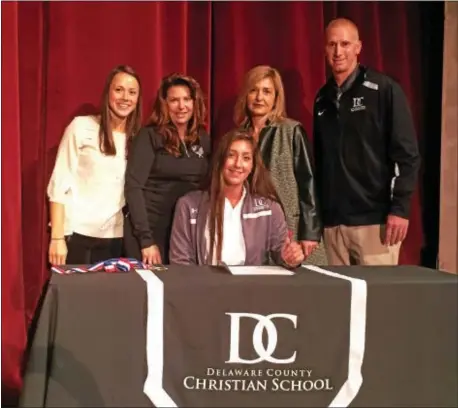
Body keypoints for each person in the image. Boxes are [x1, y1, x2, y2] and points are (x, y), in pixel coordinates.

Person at [313, 17, 421, 265]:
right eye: (332, 45)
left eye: (345, 44)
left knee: (377, 302)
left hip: (375, 224)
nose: (338, 52)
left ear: (358, 47)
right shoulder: (322, 99)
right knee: (339, 303)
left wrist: (400, 209)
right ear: (325, 49)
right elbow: (321, 162)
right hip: (333, 227)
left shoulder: (384, 90)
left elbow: (407, 155)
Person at [47, 65, 142, 265]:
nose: (125, 97)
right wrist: (57, 238)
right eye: (119, 90)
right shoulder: (81, 127)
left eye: (132, 92)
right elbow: (60, 183)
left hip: (117, 240)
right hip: (77, 235)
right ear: (107, 92)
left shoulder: (139, 140)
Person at [169, 129, 304, 267]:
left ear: (252, 165)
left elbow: (282, 253)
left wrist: (290, 257)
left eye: (246, 158)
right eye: (231, 155)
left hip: (252, 286)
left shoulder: (270, 208)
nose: (238, 164)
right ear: (220, 159)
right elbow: (180, 262)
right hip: (206, 286)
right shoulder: (188, 205)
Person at [233, 65, 325, 264]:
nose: (259, 97)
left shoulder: (291, 131)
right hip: (253, 227)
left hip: (292, 229)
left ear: (276, 97)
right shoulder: (237, 136)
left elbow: (307, 183)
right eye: (253, 90)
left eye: (266, 91)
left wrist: (309, 231)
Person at [124, 73, 210, 265]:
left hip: (185, 232)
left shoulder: (203, 139)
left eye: (187, 99)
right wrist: (146, 240)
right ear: (164, 104)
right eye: (174, 100)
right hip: (150, 231)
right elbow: (133, 187)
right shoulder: (149, 136)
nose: (181, 106)